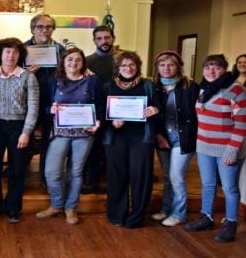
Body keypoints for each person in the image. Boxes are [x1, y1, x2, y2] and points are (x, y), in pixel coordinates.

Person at [35, 47, 101, 225]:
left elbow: (99, 104)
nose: (74, 63)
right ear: (63, 62)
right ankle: (56, 205)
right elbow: (43, 105)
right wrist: (51, 109)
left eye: (78, 60)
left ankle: (71, 208)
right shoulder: (53, 80)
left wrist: (98, 121)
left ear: (83, 62)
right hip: (59, 133)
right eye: (70, 59)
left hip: (84, 133)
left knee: (76, 172)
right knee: (52, 172)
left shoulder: (92, 80)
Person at [185, 54, 246, 243]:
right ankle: (207, 217)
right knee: (208, 184)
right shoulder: (205, 89)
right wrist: (199, 144)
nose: (211, 71)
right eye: (208, 67)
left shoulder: (236, 90)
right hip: (205, 147)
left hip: (228, 148)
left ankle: (230, 223)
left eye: (217, 67)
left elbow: (242, 124)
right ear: (203, 70)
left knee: (229, 188)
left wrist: (232, 149)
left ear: (225, 69)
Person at [0, 37, 39, 223]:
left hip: (19, 127)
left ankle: (13, 208)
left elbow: (33, 106)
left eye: (15, 52)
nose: (11, 55)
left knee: (17, 170)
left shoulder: (28, 77)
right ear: (0, 54)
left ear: (20, 55)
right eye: (7, 51)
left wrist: (26, 132)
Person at [103, 50, 159, 228]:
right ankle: (116, 215)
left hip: (141, 138)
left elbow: (159, 108)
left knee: (140, 177)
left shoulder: (148, 85)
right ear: (118, 68)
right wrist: (111, 122)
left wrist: (155, 111)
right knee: (116, 177)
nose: (128, 68)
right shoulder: (108, 87)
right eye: (124, 65)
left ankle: (136, 216)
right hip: (115, 138)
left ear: (138, 66)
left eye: (132, 64)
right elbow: (100, 113)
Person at [150, 51, 199, 227]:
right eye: (162, 65)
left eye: (170, 64)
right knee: (167, 176)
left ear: (178, 66)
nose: (166, 68)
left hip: (183, 138)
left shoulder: (190, 87)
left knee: (176, 176)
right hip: (163, 138)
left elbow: (198, 114)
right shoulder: (154, 86)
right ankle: (166, 209)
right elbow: (152, 116)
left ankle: (180, 214)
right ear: (157, 68)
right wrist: (158, 136)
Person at [24, 14, 66, 186]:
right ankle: (21, 173)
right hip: (28, 102)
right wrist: (26, 73)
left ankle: (45, 175)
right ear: (33, 29)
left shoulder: (61, 50)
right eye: (40, 27)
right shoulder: (22, 49)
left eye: (49, 27)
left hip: (53, 102)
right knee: (26, 137)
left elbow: (70, 71)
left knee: (49, 139)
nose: (44, 30)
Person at [82, 25, 116, 194]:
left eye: (107, 37)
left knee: (113, 146)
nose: (104, 41)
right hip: (93, 110)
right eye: (100, 38)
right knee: (93, 146)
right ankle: (91, 180)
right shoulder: (86, 62)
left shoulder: (121, 60)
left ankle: (113, 181)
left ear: (113, 38)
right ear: (94, 40)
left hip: (117, 111)